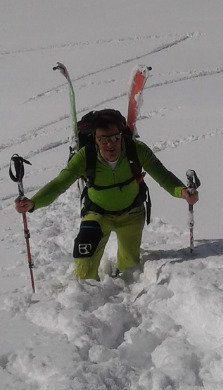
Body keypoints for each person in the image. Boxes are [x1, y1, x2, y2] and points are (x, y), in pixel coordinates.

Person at [14, 112, 198, 280]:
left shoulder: (136, 149)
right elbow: (59, 184)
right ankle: (86, 293)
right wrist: (33, 203)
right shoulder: (85, 156)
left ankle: (125, 286)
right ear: (95, 139)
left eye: (115, 137)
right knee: (84, 264)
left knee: (130, 268)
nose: (110, 144)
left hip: (132, 215)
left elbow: (162, 175)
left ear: (121, 136)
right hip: (97, 214)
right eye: (103, 139)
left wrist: (182, 192)